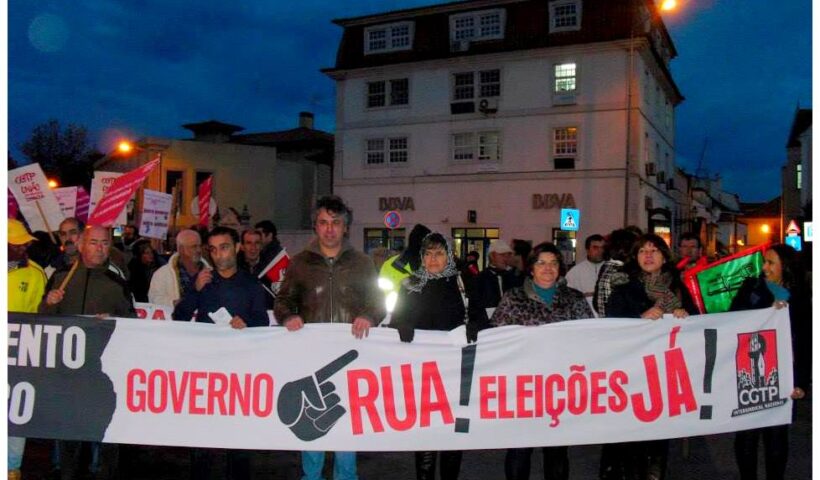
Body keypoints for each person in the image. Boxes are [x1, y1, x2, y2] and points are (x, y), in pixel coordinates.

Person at [275, 195, 385, 480]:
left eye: (336, 223)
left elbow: (379, 304)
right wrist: (289, 317)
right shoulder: (300, 263)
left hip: (351, 359)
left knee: (346, 428)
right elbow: (283, 301)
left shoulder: (362, 263)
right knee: (313, 428)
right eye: (323, 222)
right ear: (315, 226)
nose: (329, 229)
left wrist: (369, 316)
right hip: (312, 359)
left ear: (346, 227)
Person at [172, 226, 269, 480]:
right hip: (206, 372)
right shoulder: (205, 282)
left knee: (238, 444)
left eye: (224, 247)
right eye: (213, 249)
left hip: (239, 373)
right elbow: (178, 317)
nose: (218, 255)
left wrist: (245, 324)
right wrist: (194, 290)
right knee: (202, 442)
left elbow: (263, 322)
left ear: (236, 248)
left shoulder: (251, 285)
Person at [390, 232, 488, 480]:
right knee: (425, 432)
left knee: (453, 432)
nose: (433, 259)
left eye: (439, 253)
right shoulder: (410, 285)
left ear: (449, 256)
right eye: (428, 254)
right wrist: (401, 325)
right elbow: (394, 323)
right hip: (422, 373)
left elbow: (482, 319)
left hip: (456, 371)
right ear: (422, 257)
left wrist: (474, 325)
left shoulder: (463, 282)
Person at [41, 225, 135, 480]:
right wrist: (49, 305)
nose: (99, 248)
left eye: (104, 243)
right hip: (67, 371)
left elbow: (132, 321)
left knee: (105, 436)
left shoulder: (117, 282)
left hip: (103, 371)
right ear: (81, 244)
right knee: (69, 434)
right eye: (93, 242)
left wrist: (113, 320)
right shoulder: (61, 278)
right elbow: (42, 322)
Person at [491, 242, 592, 480]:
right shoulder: (513, 298)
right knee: (520, 449)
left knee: (556, 451)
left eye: (553, 263)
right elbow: (495, 337)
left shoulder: (574, 299)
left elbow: (589, 336)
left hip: (560, 386)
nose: (548, 268)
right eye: (541, 263)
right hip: (523, 387)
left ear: (560, 267)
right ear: (531, 268)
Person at [605, 234, 698, 480]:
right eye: (642, 251)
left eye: (654, 251)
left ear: (664, 256)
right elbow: (611, 326)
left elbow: (698, 322)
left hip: (665, 372)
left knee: (659, 438)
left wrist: (683, 313)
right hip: (632, 374)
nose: (648, 256)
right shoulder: (623, 289)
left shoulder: (678, 288)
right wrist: (639, 318)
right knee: (633, 439)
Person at [729, 244, 809, 480]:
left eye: (771, 262)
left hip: (782, 375)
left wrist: (802, 383)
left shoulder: (802, 298)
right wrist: (766, 310)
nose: (764, 267)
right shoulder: (752, 287)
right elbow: (733, 318)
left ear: (787, 267)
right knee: (746, 436)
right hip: (750, 371)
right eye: (764, 261)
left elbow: (805, 344)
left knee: (776, 436)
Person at [8, 220, 48, 480]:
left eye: (25, 243)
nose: (24, 247)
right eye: (17, 244)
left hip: (18, 354)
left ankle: (11, 466)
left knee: (15, 412)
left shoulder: (35, 273)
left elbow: (39, 316)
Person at [378, 223, 431, 318]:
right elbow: (380, 296)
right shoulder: (390, 265)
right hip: (395, 319)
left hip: (426, 322)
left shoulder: (433, 265)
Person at [148, 229, 210, 307]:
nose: (199, 250)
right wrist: (176, 303)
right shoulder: (162, 274)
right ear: (181, 249)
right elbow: (154, 300)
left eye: (200, 246)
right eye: (194, 247)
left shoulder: (211, 272)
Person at [592, 228, 640, 317]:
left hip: (606, 321)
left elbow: (596, 302)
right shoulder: (624, 270)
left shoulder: (606, 266)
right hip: (621, 324)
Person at [471, 239, 523, 316]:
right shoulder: (480, 279)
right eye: (502, 255)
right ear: (492, 256)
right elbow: (475, 308)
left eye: (508, 255)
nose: (505, 258)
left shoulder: (513, 278)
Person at [565, 234, 606, 313]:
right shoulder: (575, 271)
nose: (600, 251)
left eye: (603, 247)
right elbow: (566, 297)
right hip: (584, 315)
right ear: (587, 250)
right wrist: (584, 296)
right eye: (595, 248)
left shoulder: (611, 268)